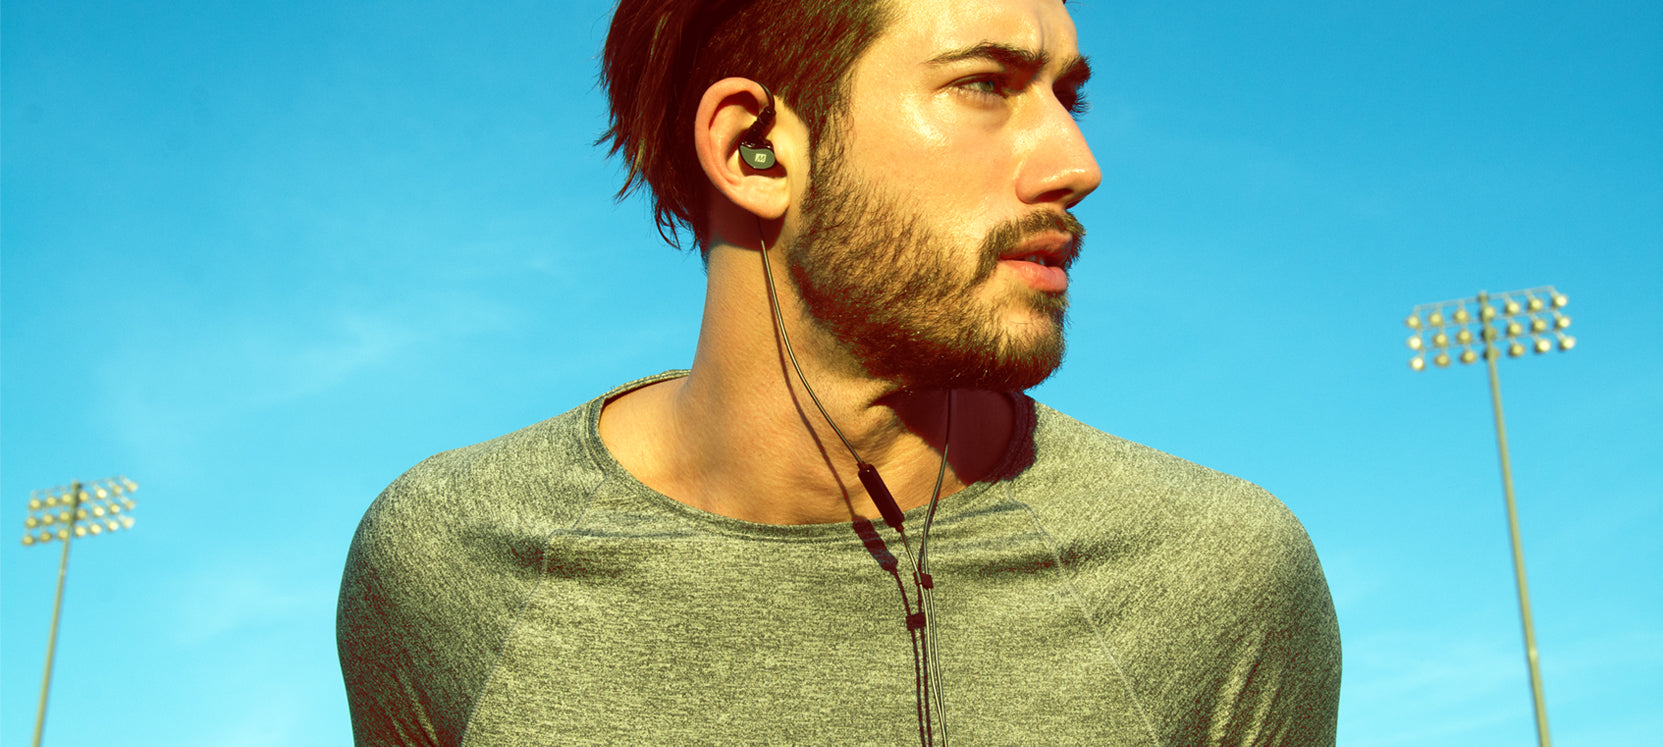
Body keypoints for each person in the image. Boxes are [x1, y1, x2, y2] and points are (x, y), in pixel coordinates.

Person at [336, 0, 1342, 743]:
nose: (1075, 164)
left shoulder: (1218, 580)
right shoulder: (447, 562)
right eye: (984, 86)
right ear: (755, 148)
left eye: (1065, 94)